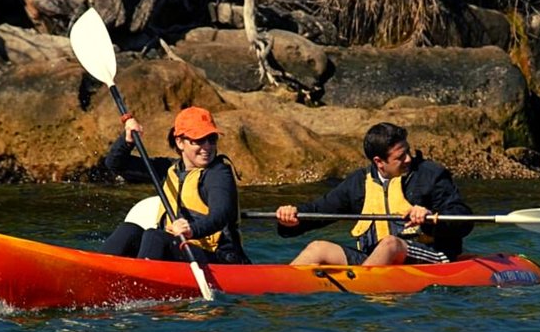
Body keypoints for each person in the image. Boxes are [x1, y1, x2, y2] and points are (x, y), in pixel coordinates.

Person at [275, 122, 473, 266]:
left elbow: (463, 218)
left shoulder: (431, 174)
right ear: (379, 162)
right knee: (317, 248)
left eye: (408, 151)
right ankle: (281, 294)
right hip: (373, 260)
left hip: (433, 256)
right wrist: (291, 219)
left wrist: (430, 218)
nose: (408, 159)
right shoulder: (358, 183)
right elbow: (320, 210)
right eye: (400, 156)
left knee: (390, 244)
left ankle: (362, 290)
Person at [101, 106, 251, 265]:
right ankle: (97, 270)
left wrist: (192, 229)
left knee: (155, 236)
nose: (207, 147)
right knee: (129, 230)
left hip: (221, 259)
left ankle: (141, 277)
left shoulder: (218, 173)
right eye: (199, 140)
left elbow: (220, 215)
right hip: (180, 251)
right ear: (180, 142)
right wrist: (127, 141)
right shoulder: (169, 169)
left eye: (212, 139)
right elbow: (115, 164)